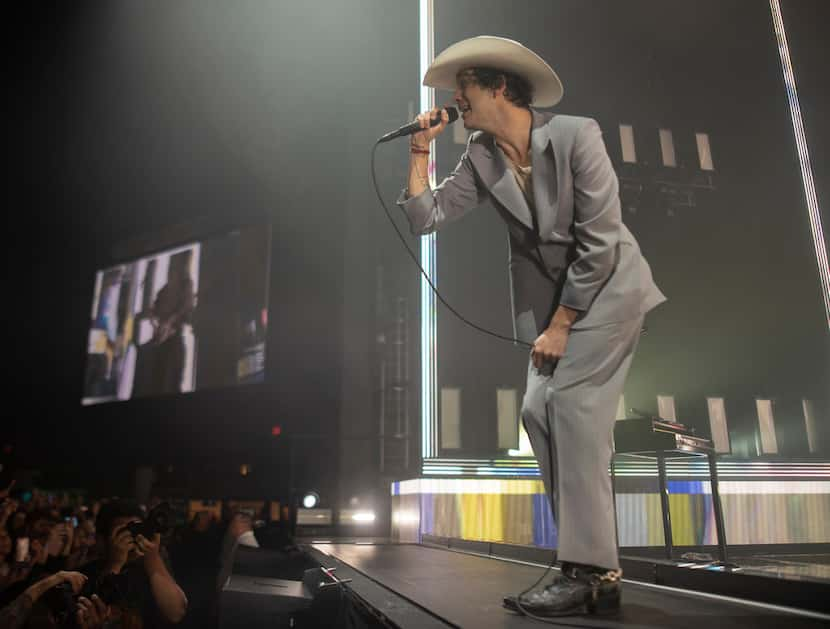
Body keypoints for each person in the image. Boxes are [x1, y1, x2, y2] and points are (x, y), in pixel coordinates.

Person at [398, 36, 666, 617]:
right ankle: (588, 565)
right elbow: (426, 216)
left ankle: (589, 569)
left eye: (462, 88)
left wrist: (564, 323)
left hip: (609, 292)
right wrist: (419, 152)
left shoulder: (576, 134)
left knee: (570, 410)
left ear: (497, 87)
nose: (454, 100)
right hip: (555, 309)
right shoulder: (482, 155)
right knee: (537, 412)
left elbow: (599, 240)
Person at [81, 500, 188, 627]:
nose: (132, 537)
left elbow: (176, 612)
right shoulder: (84, 575)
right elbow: (94, 613)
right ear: (101, 540)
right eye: (123, 532)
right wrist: (115, 564)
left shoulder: (151, 567)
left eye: (137, 529)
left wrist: (152, 557)